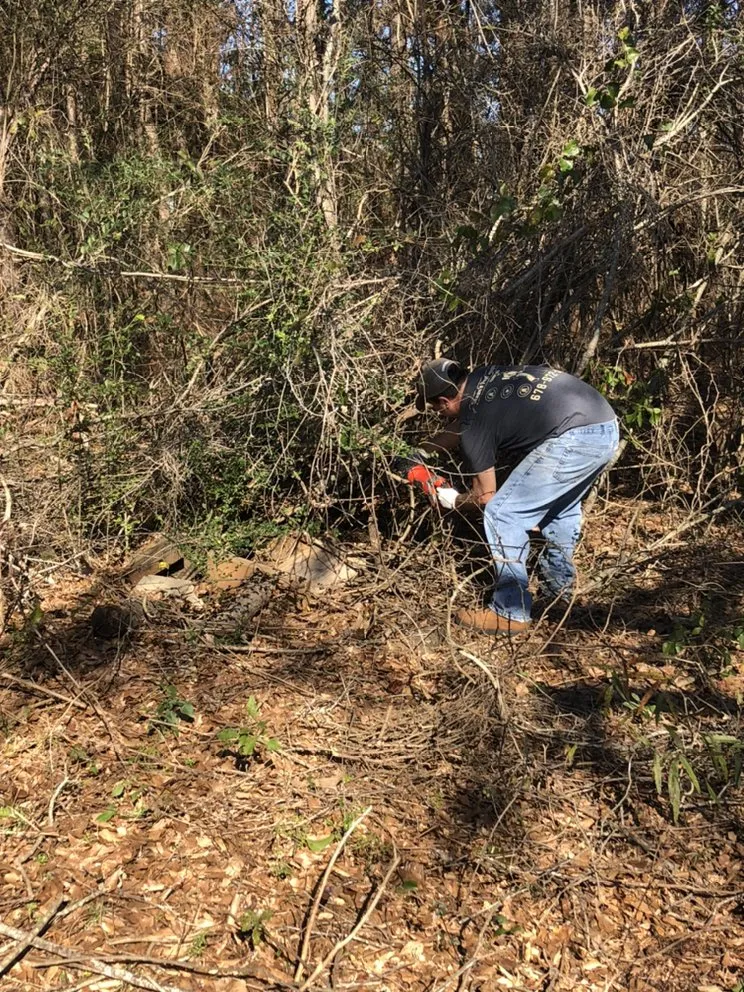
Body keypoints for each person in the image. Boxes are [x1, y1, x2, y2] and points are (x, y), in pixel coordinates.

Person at [415, 358, 619, 634]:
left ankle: (510, 612)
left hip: (571, 438)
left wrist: (450, 499)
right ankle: (559, 595)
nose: (437, 414)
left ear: (443, 401)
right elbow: (461, 428)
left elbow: (485, 496)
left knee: (503, 513)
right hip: (604, 426)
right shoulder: (486, 377)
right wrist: (422, 451)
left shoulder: (476, 416)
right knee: (560, 509)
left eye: (435, 408)